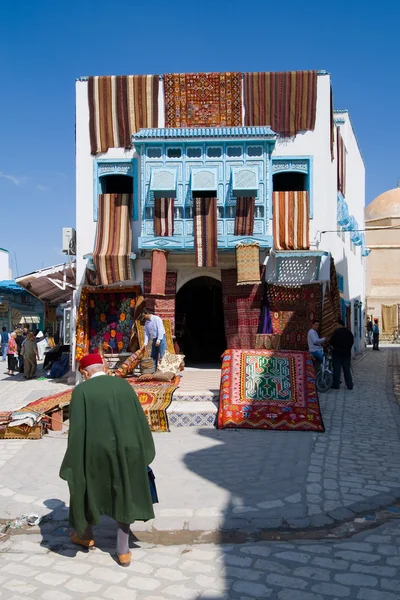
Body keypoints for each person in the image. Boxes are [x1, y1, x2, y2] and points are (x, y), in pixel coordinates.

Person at [60, 353, 155, 567]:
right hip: (128, 449)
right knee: (123, 490)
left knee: (83, 485)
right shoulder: (124, 386)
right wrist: (143, 448)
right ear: (104, 367)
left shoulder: (81, 391)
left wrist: (73, 459)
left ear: (85, 373)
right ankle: (123, 550)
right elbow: (140, 420)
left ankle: (85, 535)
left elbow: (77, 430)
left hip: (96, 451)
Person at [330, 319, 354, 390]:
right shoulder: (349, 333)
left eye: (336, 325)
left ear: (340, 324)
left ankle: (336, 384)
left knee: (337, 370)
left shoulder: (336, 333)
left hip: (337, 354)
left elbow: (332, 342)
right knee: (347, 370)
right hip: (346, 354)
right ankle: (349, 385)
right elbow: (351, 342)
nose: (336, 326)